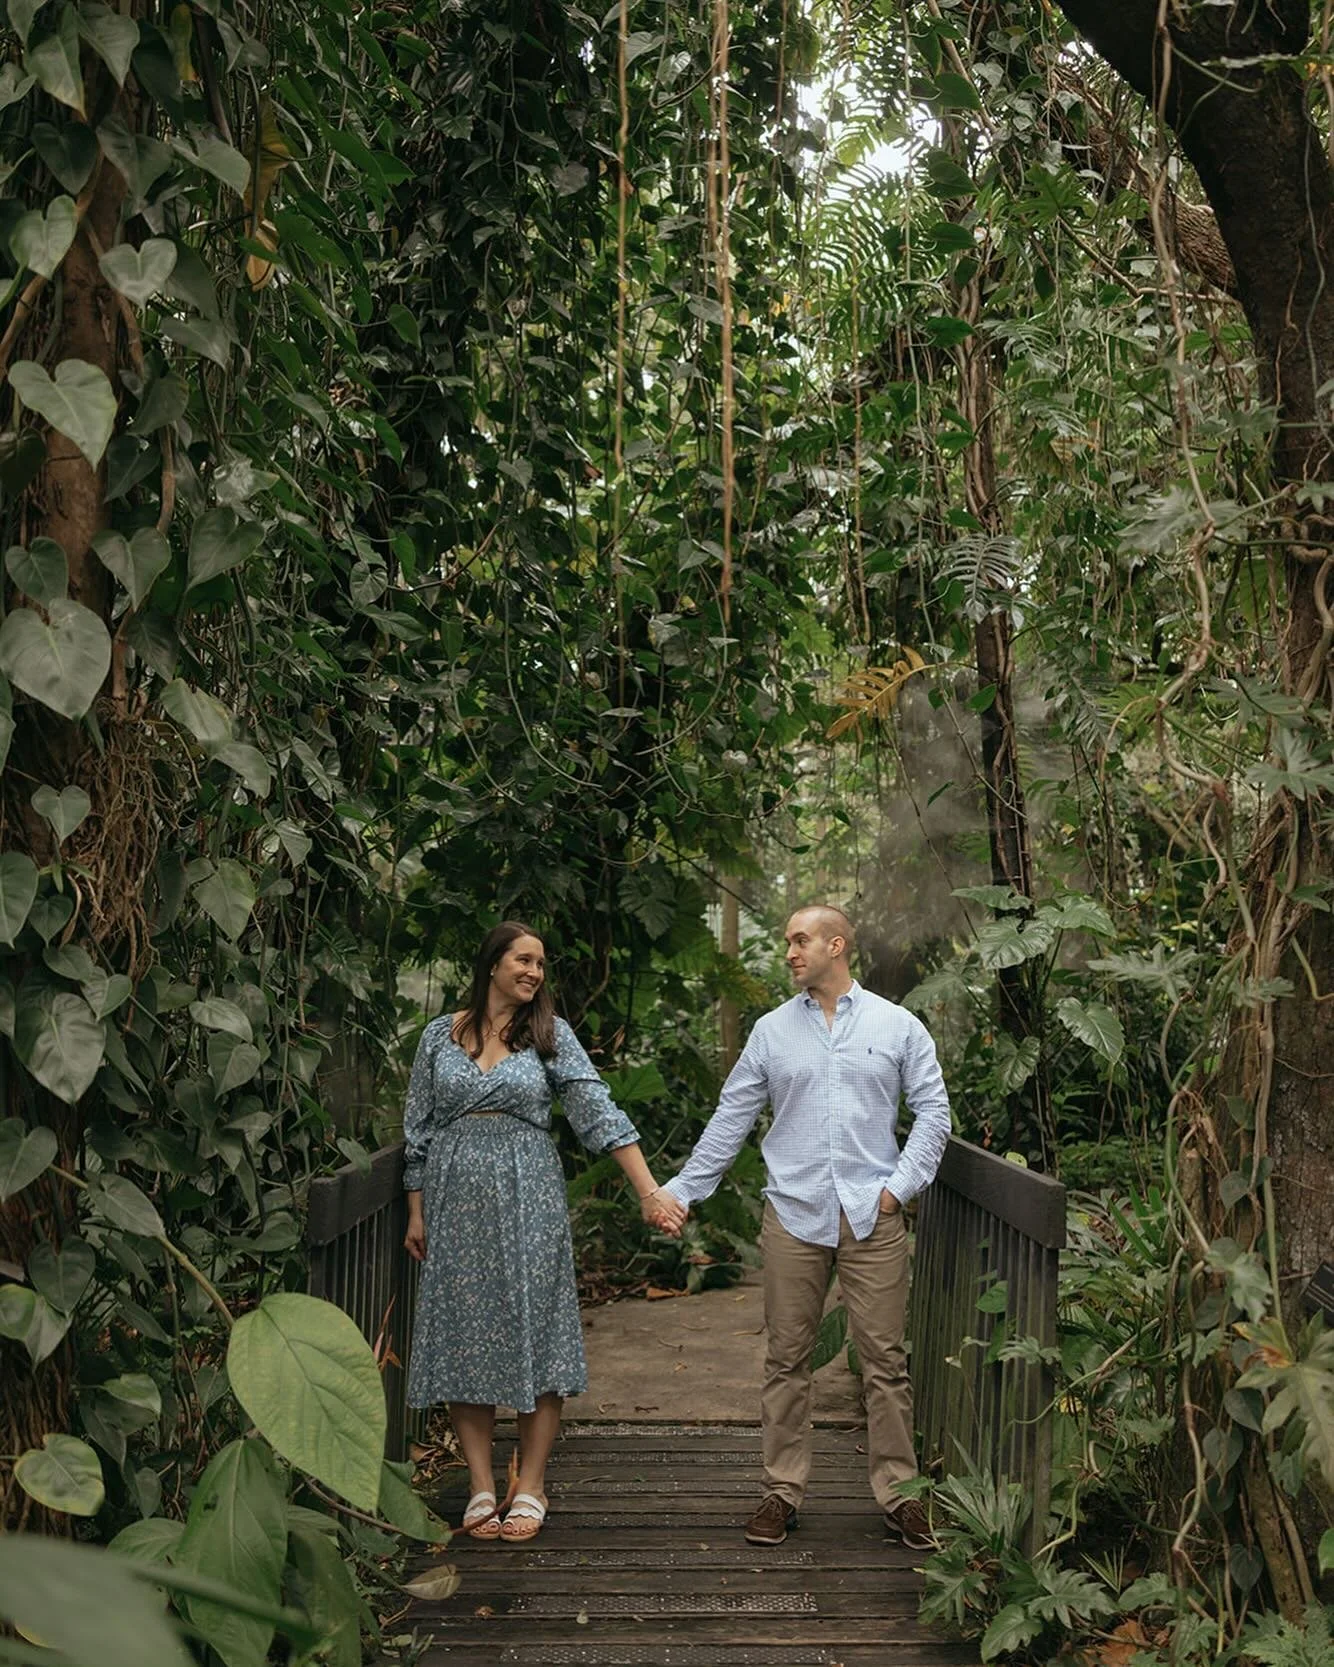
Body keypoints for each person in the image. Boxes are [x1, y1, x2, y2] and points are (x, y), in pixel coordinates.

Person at [660, 904, 951, 1549]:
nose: (789, 952)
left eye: (800, 941)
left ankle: (902, 1498)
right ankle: (781, 1492)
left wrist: (896, 1193)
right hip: (793, 1214)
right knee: (786, 1359)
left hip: (871, 1219)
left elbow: (934, 1113)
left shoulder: (897, 1025)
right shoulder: (770, 1032)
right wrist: (681, 1191)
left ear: (835, 944)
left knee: (885, 1362)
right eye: (789, 942)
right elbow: (731, 1118)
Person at [402, 921, 684, 1543]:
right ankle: (480, 1485)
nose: (534, 972)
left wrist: (648, 1191)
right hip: (453, 1201)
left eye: (541, 964)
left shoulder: (549, 1037)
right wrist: (417, 1210)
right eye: (523, 960)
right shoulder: (436, 1037)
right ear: (493, 964)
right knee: (463, 1329)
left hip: (529, 1194)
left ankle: (530, 1483)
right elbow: (416, 1129)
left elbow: (596, 1109)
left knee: (538, 1325)